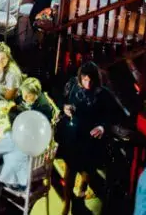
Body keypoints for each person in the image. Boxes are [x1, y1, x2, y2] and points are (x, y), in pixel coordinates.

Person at [57, 61, 122, 215]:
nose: (87, 83)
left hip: (90, 139)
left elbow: (113, 115)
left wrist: (102, 127)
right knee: (70, 170)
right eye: (84, 79)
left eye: (90, 80)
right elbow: (61, 99)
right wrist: (64, 108)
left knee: (88, 170)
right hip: (73, 135)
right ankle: (66, 202)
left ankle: (80, 195)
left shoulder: (103, 93)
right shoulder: (72, 85)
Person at [0, 77, 56, 188]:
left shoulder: (43, 107)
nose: (24, 98)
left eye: (27, 95)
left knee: (1, 154)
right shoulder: (26, 97)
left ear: (36, 93)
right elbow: (17, 103)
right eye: (23, 94)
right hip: (25, 137)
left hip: (32, 146)